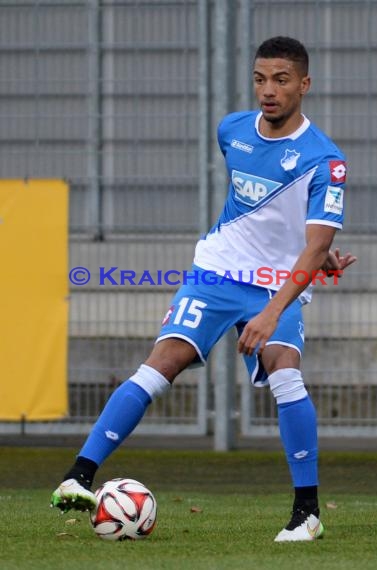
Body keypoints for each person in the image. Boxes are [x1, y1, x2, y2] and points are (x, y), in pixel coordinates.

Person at [51, 36, 356, 542]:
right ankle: (78, 476)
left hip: (275, 286)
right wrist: (318, 253)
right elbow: (262, 211)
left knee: (285, 373)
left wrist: (281, 300)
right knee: (161, 362)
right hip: (216, 269)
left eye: (281, 80)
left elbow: (310, 243)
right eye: (260, 79)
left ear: (305, 84)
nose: (268, 90)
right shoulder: (232, 130)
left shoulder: (325, 160)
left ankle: (307, 513)